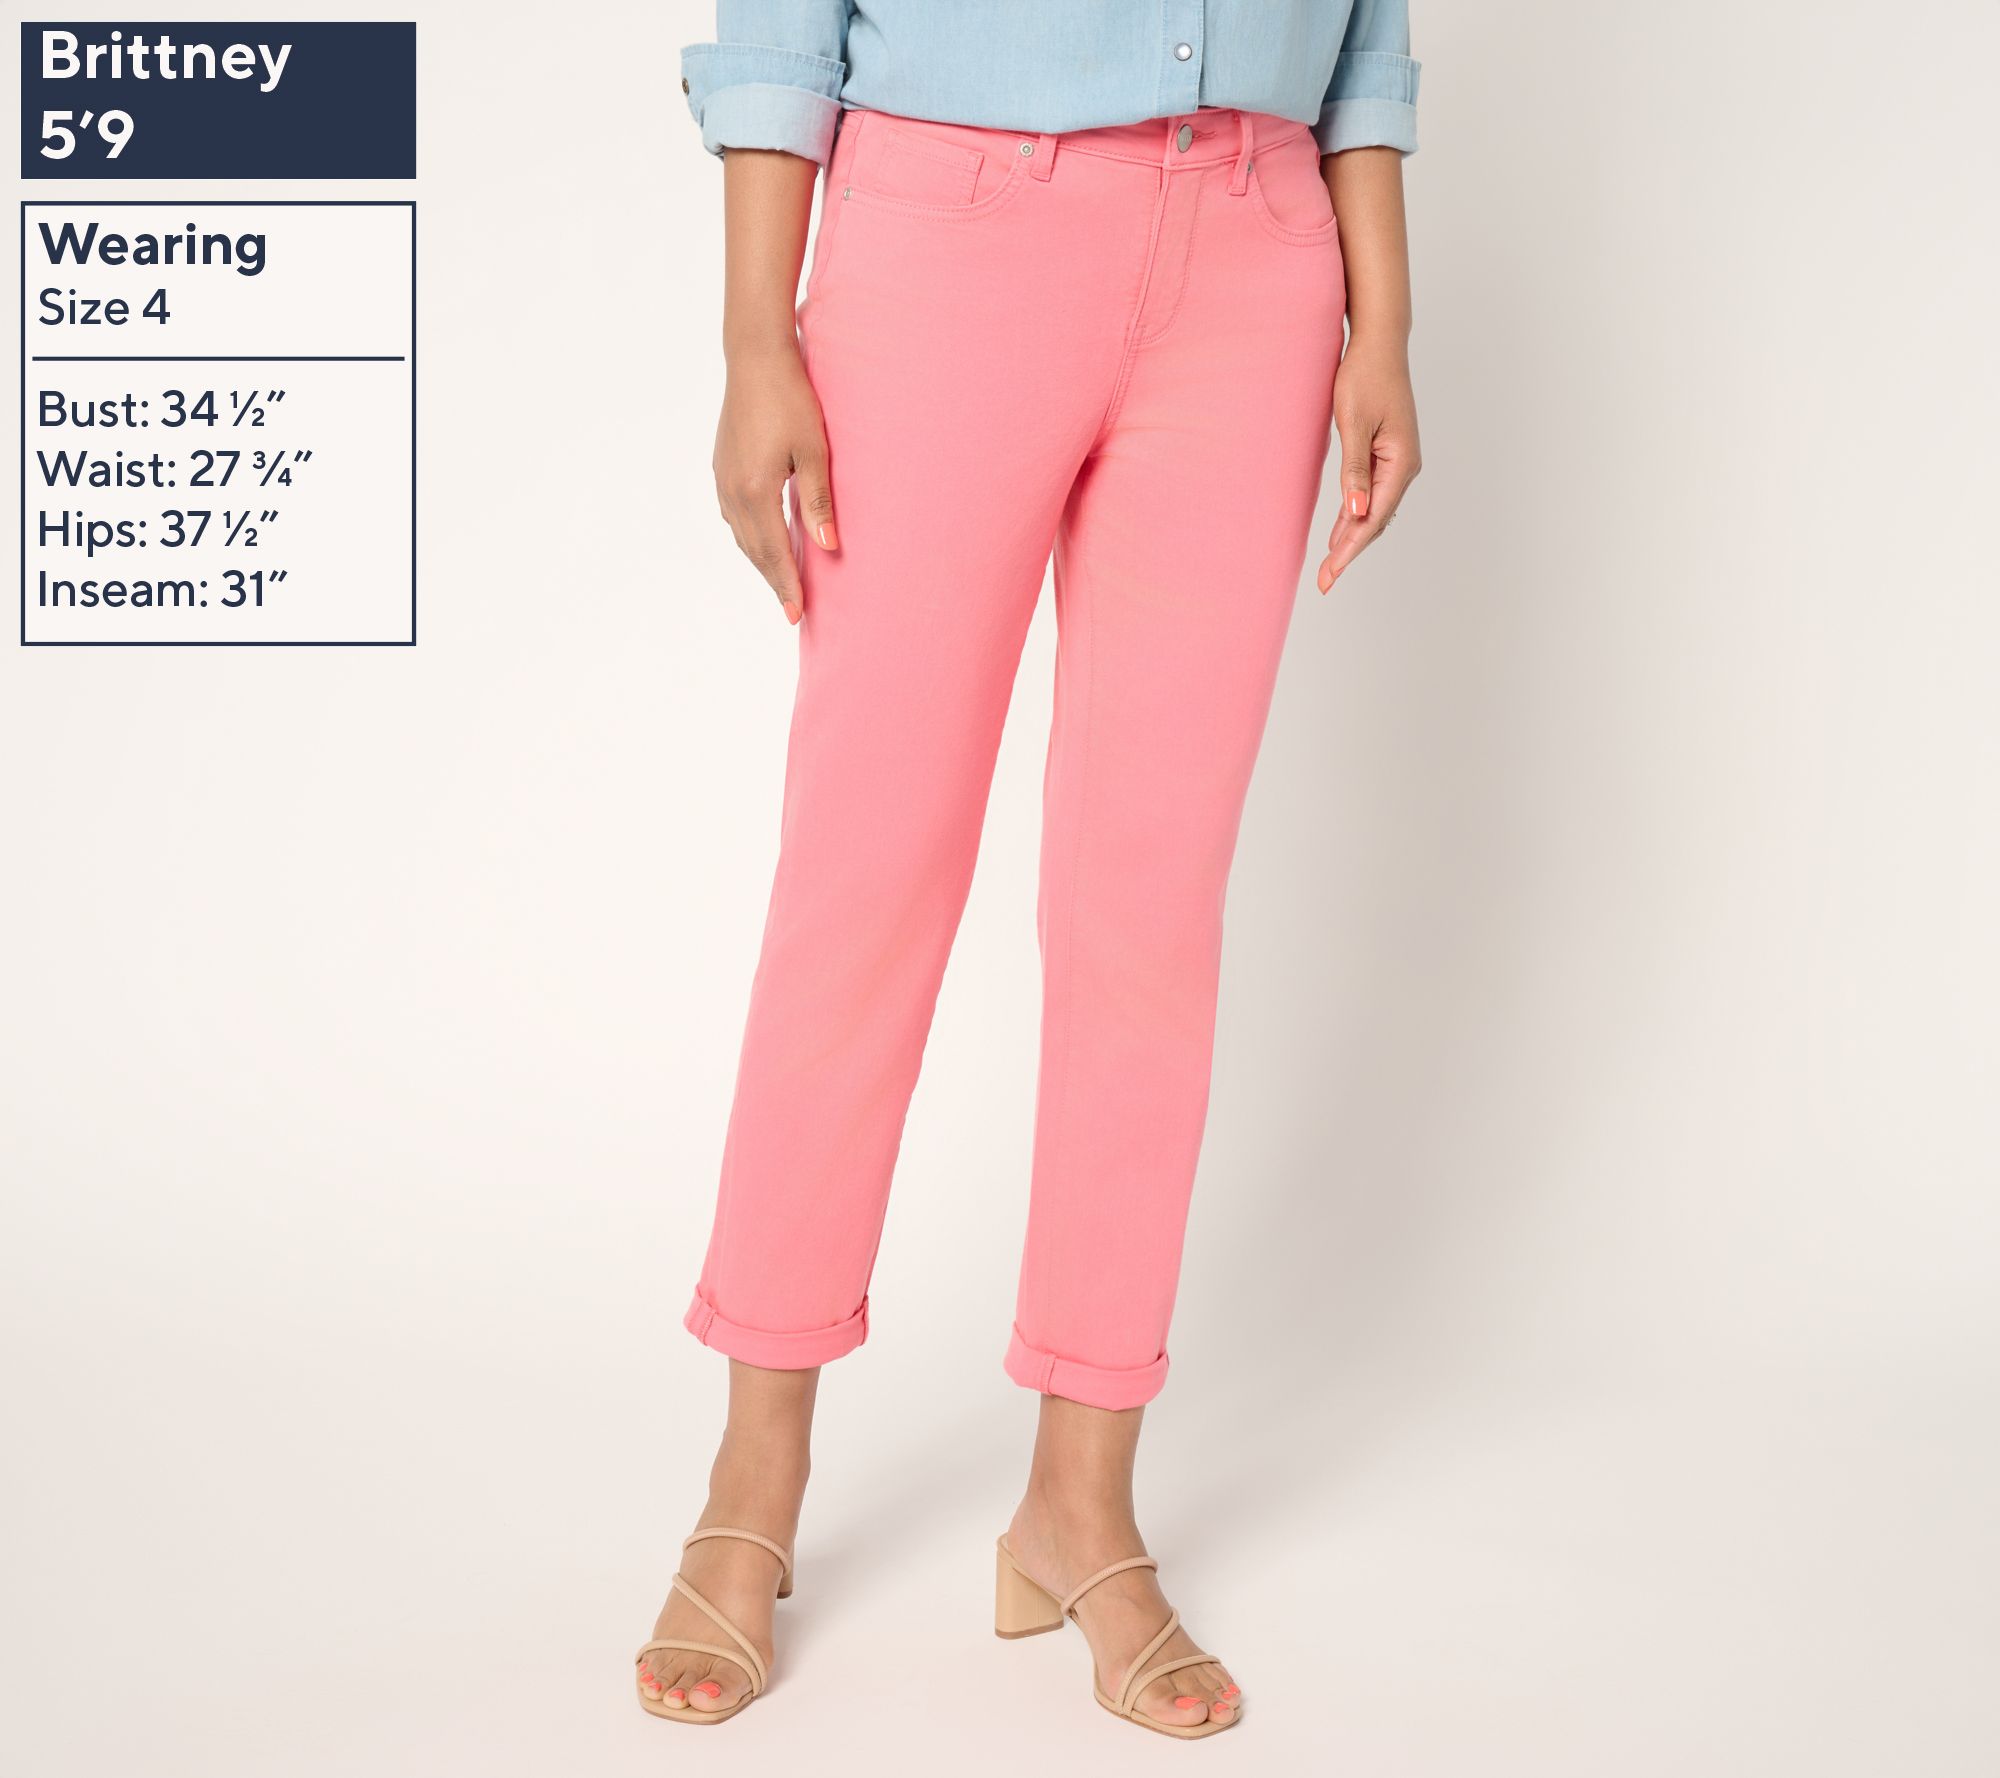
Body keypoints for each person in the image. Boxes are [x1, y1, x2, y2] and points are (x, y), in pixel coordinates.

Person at [636, 0, 1422, 1740]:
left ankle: (1081, 1501)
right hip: (949, 237)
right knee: (867, 876)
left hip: (1260, 257)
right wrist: (755, 335)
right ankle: (753, 1475)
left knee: (1149, 907)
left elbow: (1365, 31)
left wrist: (1385, 318)